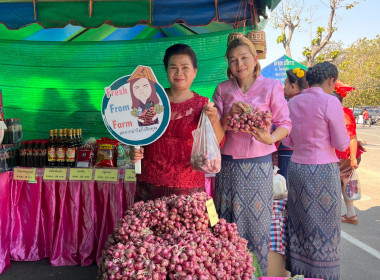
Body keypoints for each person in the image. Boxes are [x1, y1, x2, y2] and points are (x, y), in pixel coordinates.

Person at [212, 37, 292, 276]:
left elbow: (285, 123)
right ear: (229, 63)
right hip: (227, 166)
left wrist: (271, 138)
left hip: (258, 166)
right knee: (226, 223)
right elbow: (215, 131)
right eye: (234, 60)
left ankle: (254, 274)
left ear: (255, 59)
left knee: (256, 227)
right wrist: (226, 118)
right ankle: (226, 272)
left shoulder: (271, 87)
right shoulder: (223, 89)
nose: (240, 64)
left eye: (244, 58)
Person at [130, 44, 224, 202]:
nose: (179, 73)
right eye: (173, 67)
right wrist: (133, 152)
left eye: (185, 67)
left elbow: (218, 141)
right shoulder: (151, 100)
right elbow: (136, 135)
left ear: (195, 72)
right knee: (146, 227)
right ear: (166, 71)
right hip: (150, 186)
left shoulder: (203, 105)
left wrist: (213, 120)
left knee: (186, 228)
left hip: (188, 191)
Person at [282, 62, 350, 279]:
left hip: (297, 169)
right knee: (325, 229)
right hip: (323, 172)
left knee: (301, 223)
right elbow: (341, 144)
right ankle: (324, 274)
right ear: (331, 81)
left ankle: (301, 273)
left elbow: (287, 142)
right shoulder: (330, 101)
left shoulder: (293, 102)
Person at [333, 93, 363, 225]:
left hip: (344, 156)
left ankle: (343, 214)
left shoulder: (342, 113)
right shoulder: (344, 111)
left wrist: (352, 158)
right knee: (345, 183)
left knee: (342, 183)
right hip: (344, 155)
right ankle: (351, 214)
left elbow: (351, 136)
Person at [277, 68, 308, 180]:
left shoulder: (289, 104)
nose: (284, 88)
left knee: (287, 187)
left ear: (293, 86)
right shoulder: (312, 102)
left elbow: (284, 133)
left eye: (286, 84)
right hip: (308, 154)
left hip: (288, 151)